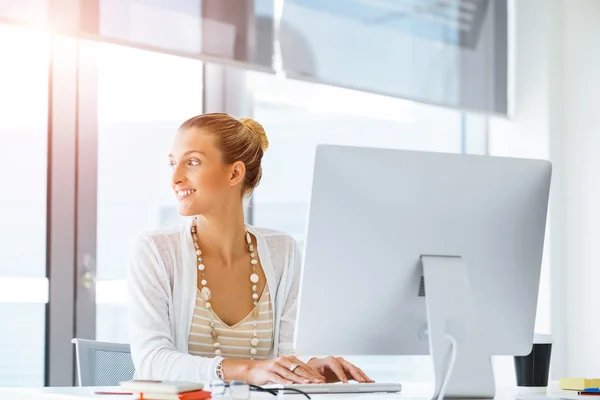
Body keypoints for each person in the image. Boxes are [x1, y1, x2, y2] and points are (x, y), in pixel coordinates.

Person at [127, 113, 373, 385]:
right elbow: (151, 361)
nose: (175, 177)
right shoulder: (155, 251)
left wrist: (309, 367)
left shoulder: (283, 252)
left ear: (234, 173)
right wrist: (247, 371)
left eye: (192, 162)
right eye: (173, 163)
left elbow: (285, 356)